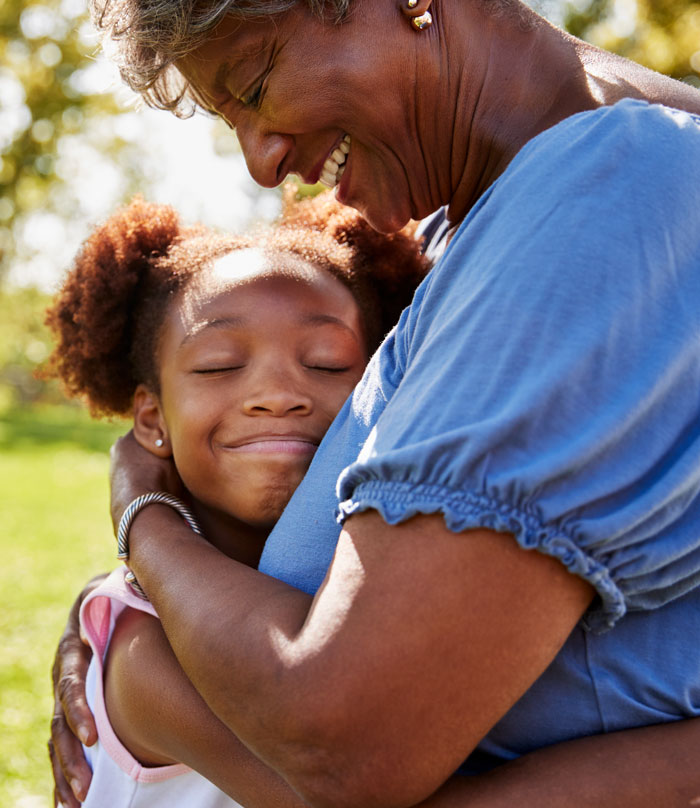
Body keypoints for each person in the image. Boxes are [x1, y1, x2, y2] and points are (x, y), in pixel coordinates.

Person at [50, 1, 700, 806]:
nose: (260, 162)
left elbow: (343, 746)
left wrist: (140, 512)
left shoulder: (605, 195)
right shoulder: (447, 240)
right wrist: (123, 615)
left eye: (254, 85)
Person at [44, 191, 429, 807]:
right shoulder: (146, 649)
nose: (277, 394)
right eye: (220, 365)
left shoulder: (373, 569)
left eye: (328, 364)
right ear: (151, 417)